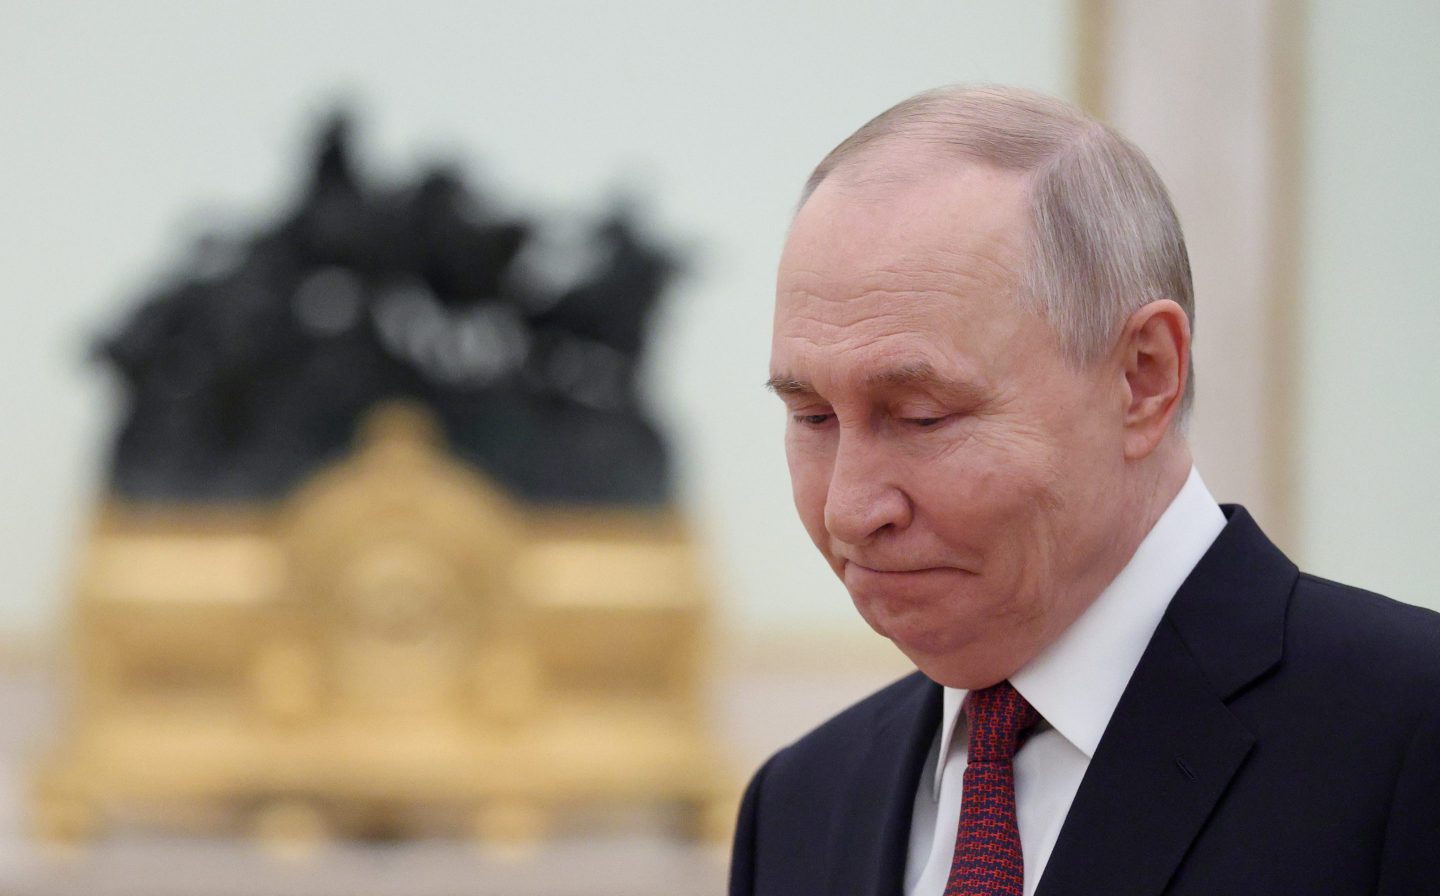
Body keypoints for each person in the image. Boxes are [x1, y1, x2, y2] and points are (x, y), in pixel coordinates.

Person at [729, 85, 1440, 896]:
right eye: (814, 417)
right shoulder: (799, 807)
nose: (849, 510)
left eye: (922, 418)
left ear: (1144, 377)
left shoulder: (1410, 742)